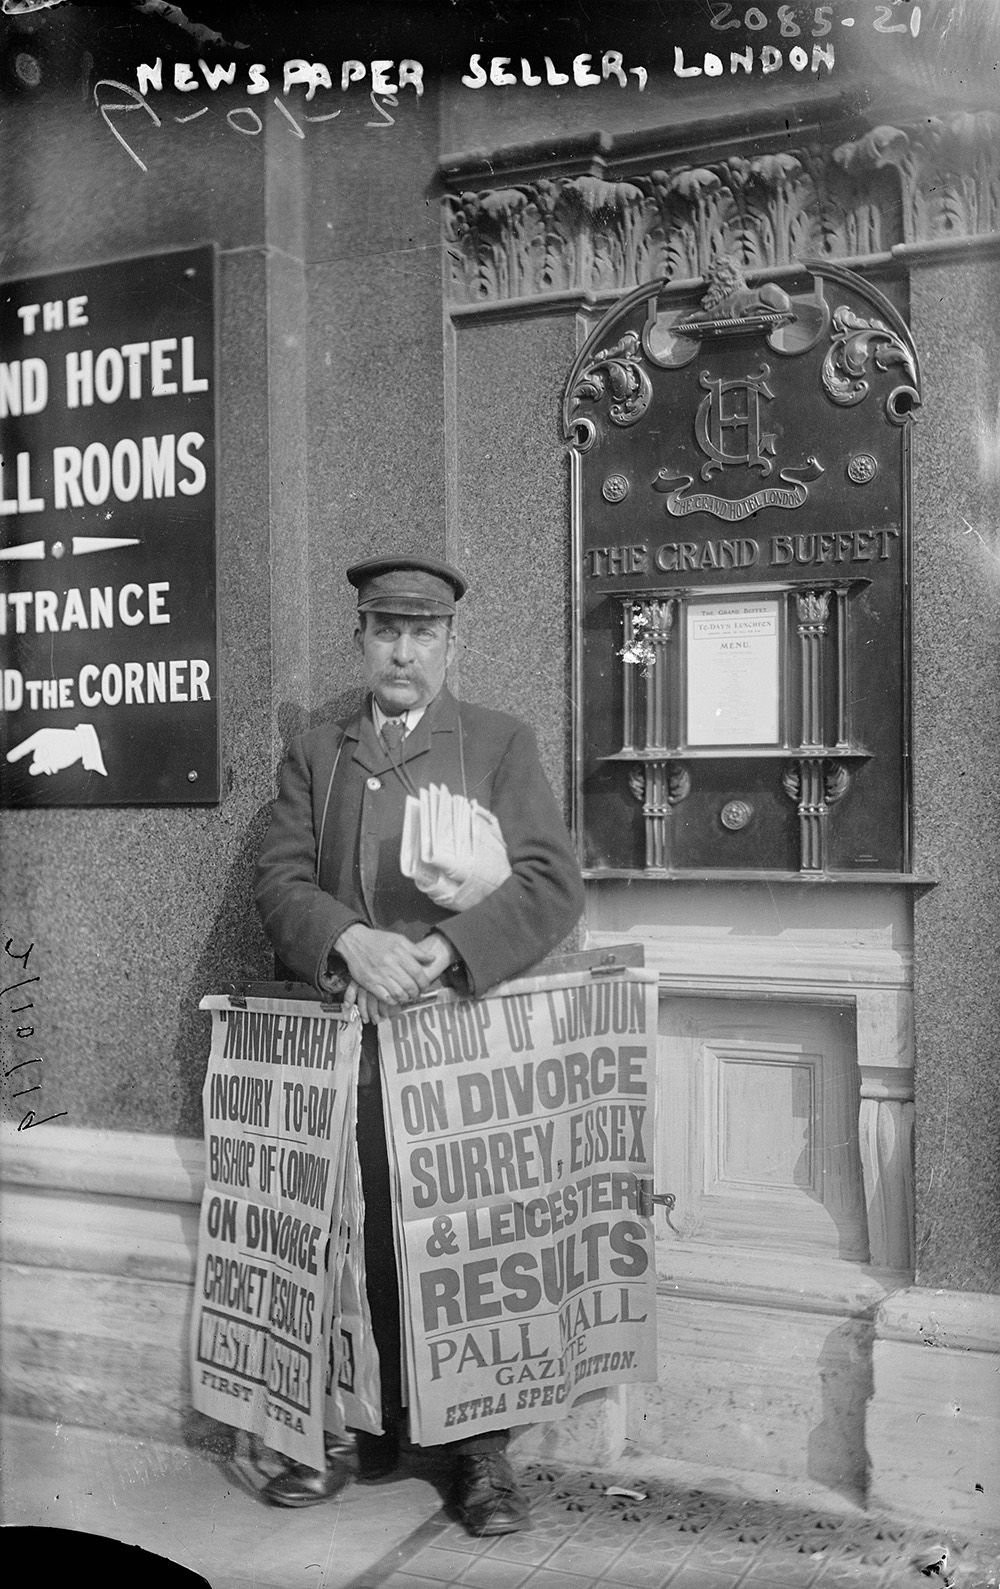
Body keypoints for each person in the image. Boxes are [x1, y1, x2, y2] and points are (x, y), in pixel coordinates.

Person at [253, 553, 585, 1534]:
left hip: (460, 1039)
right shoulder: (319, 750)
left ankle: (480, 1456)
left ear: (450, 643)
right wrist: (347, 938)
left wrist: (444, 948)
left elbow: (550, 883)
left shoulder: (495, 741)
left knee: (465, 1233)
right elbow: (278, 880)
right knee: (347, 1231)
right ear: (360, 638)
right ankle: (347, 1428)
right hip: (354, 1034)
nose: (403, 650)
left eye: (423, 633)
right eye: (385, 630)